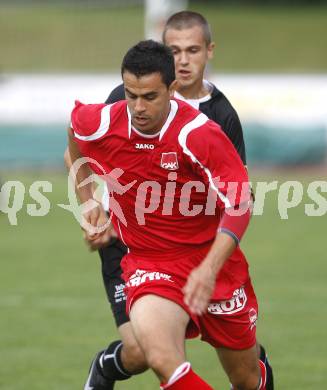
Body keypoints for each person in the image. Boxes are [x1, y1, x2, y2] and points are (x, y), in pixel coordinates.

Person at [64, 11, 273, 390]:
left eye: (149, 97)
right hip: (149, 262)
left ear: (171, 89)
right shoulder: (105, 118)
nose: (138, 108)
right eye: (131, 96)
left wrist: (208, 269)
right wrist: (89, 203)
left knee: (246, 378)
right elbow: (76, 136)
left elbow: (239, 202)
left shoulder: (202, 133)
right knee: (160, 358)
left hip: (213, 263)